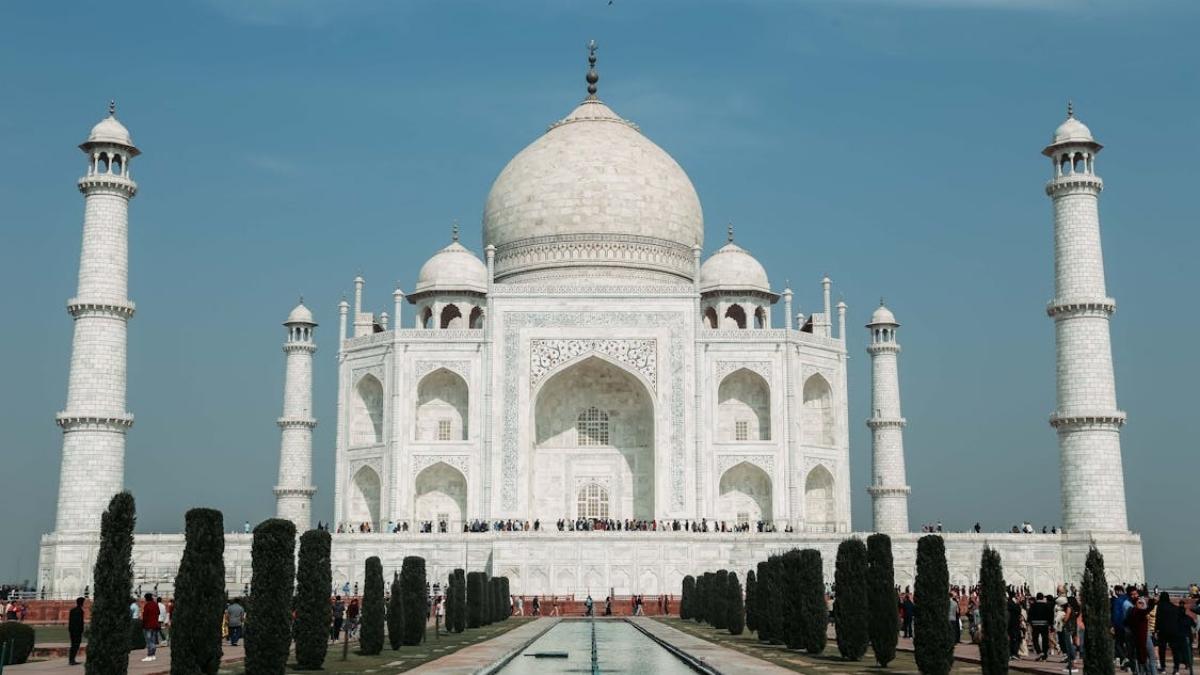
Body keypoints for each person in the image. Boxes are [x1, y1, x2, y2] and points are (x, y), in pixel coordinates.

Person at [141, 592, 160, 662]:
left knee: (149, 641)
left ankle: (149, 655)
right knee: (153, 640)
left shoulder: (147, 605)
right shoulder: (155, 604)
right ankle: (153, 655)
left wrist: (143, 624)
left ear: (146, 598)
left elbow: (145, 617)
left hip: (148, 626)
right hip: (155, 625)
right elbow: (158, 612)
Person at [68, 597, 85, 665]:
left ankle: (71, 659)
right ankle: (72, 660)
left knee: (73, 645)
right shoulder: (80, 611)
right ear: (82, 603)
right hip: (77, 631)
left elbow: (70, 621)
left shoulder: (72, 610)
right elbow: (80, 622)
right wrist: (81, 630)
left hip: (72, 630)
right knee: (76, 645)